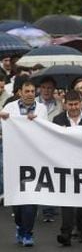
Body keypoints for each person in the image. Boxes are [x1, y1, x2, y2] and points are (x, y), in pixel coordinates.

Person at [0, 80, 48, 247]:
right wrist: (2, 117)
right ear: (19, 92)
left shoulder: (41, 109)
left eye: (32, 91)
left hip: (33, 159)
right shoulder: (9, 108)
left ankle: (28, 232)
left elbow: (46, 130)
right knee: (17, 201)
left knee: (31, 197)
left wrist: (36, 122)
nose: (30, 94)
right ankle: (20, 226)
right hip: (14, 158)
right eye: (26, 91)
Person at [53, 90, 82, 246]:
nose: (73, 107)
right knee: (67, 200)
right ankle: (66, 233)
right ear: (65, 105)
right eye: (70, 104)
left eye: (76, 104)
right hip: (65, 165)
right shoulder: (57, 120)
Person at [35, 77, 63, 223]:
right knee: (42, 176)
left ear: (54, 89)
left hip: (55, 144)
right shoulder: (33, 104)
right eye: (44, 87)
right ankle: (45, 209)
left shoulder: (59, 104)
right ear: (39, 88)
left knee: (54, 176)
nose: (46, 90)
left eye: (49, 88)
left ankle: (51, 207)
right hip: (38, 144)